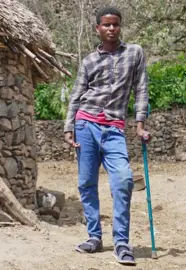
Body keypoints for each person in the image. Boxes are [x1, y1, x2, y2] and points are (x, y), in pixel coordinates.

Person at [63, 6, 150, 266]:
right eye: (106, 25)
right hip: (85, 124)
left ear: (120, 27)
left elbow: (141, 88)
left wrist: (140, 123)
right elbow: (77, 95)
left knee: (123, 180)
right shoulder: (89, 60)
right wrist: (69, 127)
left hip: (114, 128)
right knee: (87, 183)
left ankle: (121, 242)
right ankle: (94, 237)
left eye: (116, 24)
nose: (111, 28)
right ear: (97, 28)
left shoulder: (135, 53)